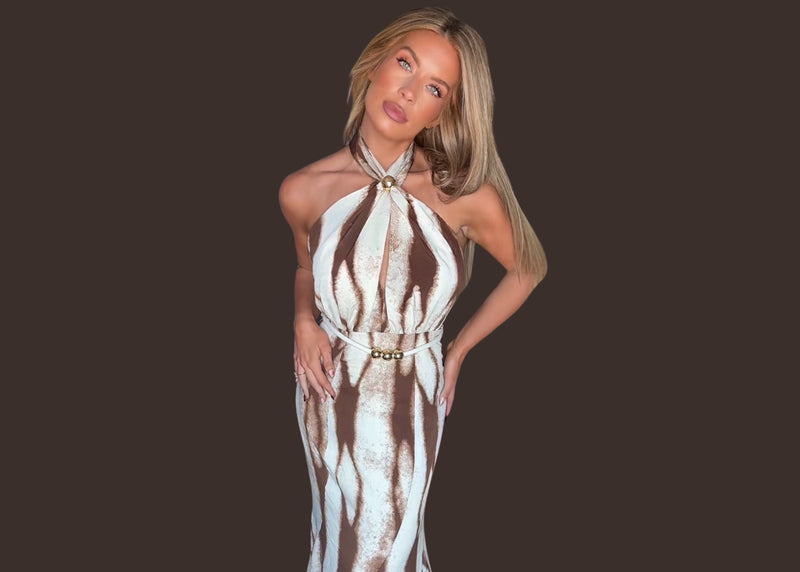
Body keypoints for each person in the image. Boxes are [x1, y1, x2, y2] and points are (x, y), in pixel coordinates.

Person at [279, 7, 547, 570]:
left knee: (385, 549)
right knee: (335, 539)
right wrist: (303, 321)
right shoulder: (303, 189)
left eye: (434, 87)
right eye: (405, 63)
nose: (408, 91)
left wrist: (458, 350)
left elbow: (528, 269)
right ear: (374, 63)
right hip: (328, 388)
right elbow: (306, 268)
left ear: (442, 111)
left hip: (412, 396)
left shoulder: (460, 194)